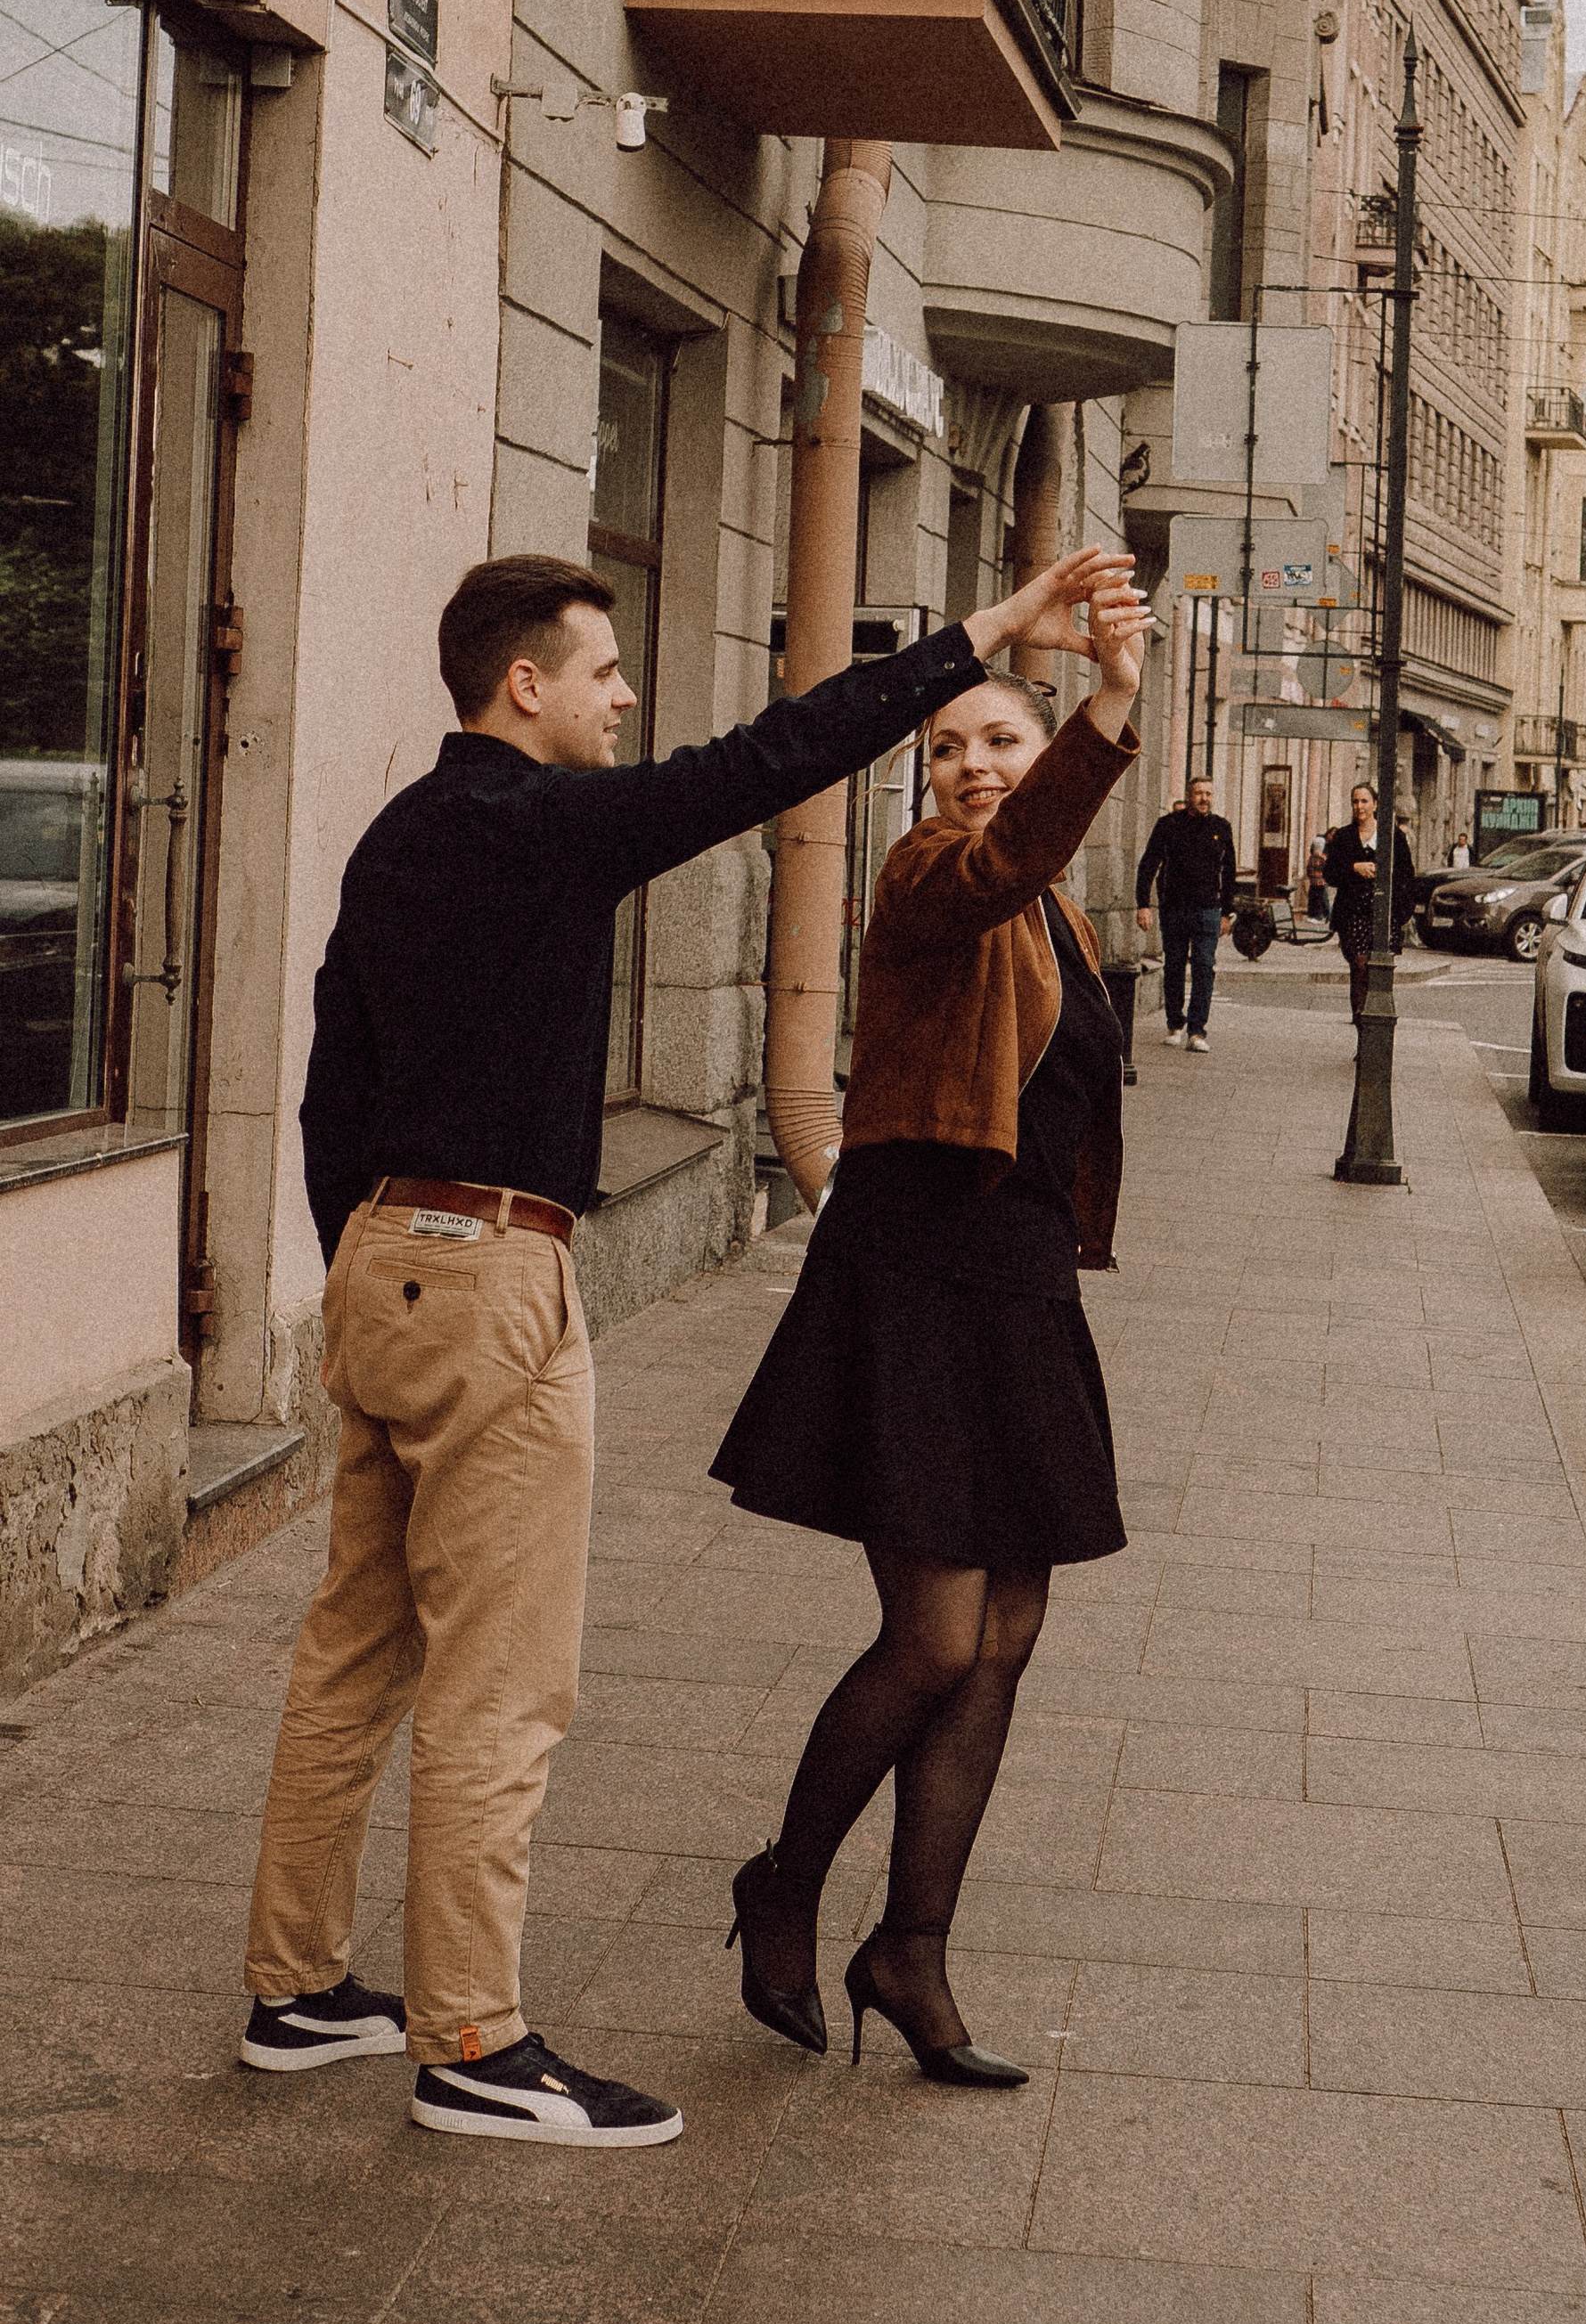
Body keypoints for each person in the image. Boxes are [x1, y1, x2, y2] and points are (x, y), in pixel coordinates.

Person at [239, 540, 1129, 2152]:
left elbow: (332, 1073)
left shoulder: (402, 832)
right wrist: (986, 633)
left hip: (387, 1257)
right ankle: (472, 2043)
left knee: (354, 1652)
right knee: (503, 1687)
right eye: (602, 672)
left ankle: (295, 1990)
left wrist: (364, 1262)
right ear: (527, 685)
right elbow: (777, 755)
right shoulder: (549, 825)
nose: (624, 698)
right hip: (492, 1266)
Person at [709, 575, 1150, 2086]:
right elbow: (1009, 858)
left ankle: (911, 1948)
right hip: (914, 1280)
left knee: (1008, 1634)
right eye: (949, 747)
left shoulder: (1060, 917)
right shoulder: (927, 880)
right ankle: (784, 1882)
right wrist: (1107, 704)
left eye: (1001, 740)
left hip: (1016, 1289)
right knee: (936, 1634)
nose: (973, 765)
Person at [1135, 771, 1239, 1050]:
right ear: (1189, 796)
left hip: (1208, 910)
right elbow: (1148, 864)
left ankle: (1197, 1032)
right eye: (1199, 793)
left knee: (1204, 967)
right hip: (1174, 908)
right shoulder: (1168, 825)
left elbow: (1229, 873)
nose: (1204, 799)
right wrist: (1143, 904)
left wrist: (1227, 912)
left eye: (1208, 794)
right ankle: (1174, 1025)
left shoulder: (1221, 827)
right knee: (1174, 967)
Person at [1324, 779, 1416, 1022]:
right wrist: (1354, 867)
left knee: (1380, 971)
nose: (1359, 806)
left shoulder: (1392, 836)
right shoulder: (1343, 837)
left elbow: (1407, 874)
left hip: (1383, 913)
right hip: (1353, 913)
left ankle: (1377, 1019)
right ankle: (1361, 1018)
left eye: (1364, 801)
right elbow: (1330, 873)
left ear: (1375, 804)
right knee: (1359, 965)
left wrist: (1401, 911)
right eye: (1355, 801)